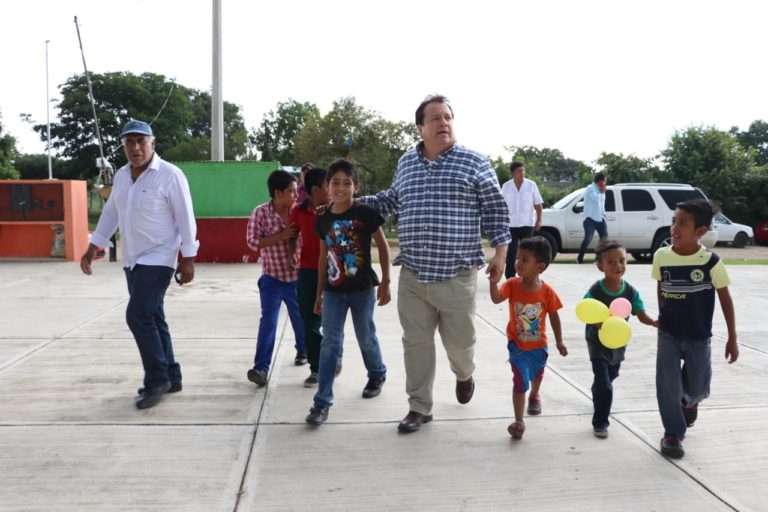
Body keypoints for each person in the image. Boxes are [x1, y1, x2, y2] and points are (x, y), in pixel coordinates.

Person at [363, 94, 511, 433]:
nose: (443, 123)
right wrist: (352, 203)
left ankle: (464, 373)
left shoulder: (474, 162)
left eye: (448, 117)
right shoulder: (406, 163)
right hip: (414, 273)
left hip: (457, 274)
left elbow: (495, 211)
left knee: (460, 343)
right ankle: (419, 407)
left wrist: (501, 254)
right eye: (435, 118)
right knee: (415, 343)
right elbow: (391, 199)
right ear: (420, 128)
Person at [80, 119, 199, 410]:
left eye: (141, 142)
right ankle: (172, 374)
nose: (135, 148)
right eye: (129, 142)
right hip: (133, 259)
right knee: (154, 317)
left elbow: (186, 218)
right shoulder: (121, 176)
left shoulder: (170, 175)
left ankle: (156, 379)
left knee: (137, 316)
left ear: (152, 144)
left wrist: (189, 259)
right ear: (123, 146)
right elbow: (111, 213)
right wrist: (93, 245)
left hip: (160, 258)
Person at [305, 159, 390, 426]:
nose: (341, 188)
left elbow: (383, 246)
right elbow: (322, 257)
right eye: (335, 183)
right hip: (333, 290)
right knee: (330, 342)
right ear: (327, 187)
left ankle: (376, 372)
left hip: (362, 289)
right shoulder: (322, 216)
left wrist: (386, 281)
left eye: (347, 183)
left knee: (365, 335)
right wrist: (319, 293)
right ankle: (322, 402)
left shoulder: (365, 212)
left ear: (356, 187)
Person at [652, 198, 738, 459]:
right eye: (673, 221)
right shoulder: (661, 256)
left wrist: (732, 338)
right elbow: (661, 287)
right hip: (668, 332)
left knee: (698, 386)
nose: (674, 228)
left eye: (682, 223)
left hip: (699, 335)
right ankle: (673, 435)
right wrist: (662, 315)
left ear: (700, 231)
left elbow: (725, 299)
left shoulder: (711, 262)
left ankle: (688, 403)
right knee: (667, 385)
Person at [489, 236, 567, 439]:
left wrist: (559, 341)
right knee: (519, 381)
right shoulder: (513, 284)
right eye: (517, 258)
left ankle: (534, 395)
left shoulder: (547, 292)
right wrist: (493, 283)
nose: (518, 263)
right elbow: (497, 298)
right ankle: (519, 420)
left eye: (524, 259)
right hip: (516, 344)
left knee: (537, 375)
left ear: (539, 266)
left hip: (538, 346)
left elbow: (554, 316)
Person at [584, 239, 658, 438]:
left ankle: (598, 391)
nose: (618, 266)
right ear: (601, 266)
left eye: (622, 261)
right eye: (611, 262)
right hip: (597, 340)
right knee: (604, 381)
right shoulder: (596, 290)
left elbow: (640, 313)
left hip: (618, 340)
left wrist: (653, 322)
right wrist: (598, 323)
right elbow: (586, 310)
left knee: (611, 375)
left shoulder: (630, 291)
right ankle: (600, 422)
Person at [246, 170, 306, 387]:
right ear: (278, 193)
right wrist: (280, 236)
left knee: (300, 318)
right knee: (268, 322)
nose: (295, 195)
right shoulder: (260, 213)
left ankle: (303, 349)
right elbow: (252, 242)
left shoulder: (299, 212)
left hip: (297, 278)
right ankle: (261, 368)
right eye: (291, 191)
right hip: (271, 278)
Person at [291, 167, 330, 387]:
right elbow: (293, 234)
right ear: (315, 190)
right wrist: (290, 255)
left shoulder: (335, 210)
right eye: (328, 186)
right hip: (307, 271)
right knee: (309, 320)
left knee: (332, 320)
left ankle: (336, 358)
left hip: (333, 270)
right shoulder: (298, 212)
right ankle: (316, 368)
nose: (333, 190)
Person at [501, 161, 543, 278]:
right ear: (513, 173)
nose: (522, 173)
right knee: (512, 252)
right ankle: (510, 277)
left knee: (527, 252)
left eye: (523, 170)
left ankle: (527, 275)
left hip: (527, 224)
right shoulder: (506, 186)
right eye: (519, 171)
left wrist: (539, 220)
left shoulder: (531, 185)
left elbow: (538, 204)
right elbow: (501, 205)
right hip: (511, 224)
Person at [577, 172, 608, 264]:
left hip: (600, 218)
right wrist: (602, 193)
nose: (605, 183)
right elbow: (596, 199)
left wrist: (604, 213)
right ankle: (580, 258)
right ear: (600, 181)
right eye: (605, 181)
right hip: (590, 218)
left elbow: (602, 204)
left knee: (604, 237)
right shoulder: (590, 188)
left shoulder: (601, 190)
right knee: (588, 239)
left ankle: (598, 259)